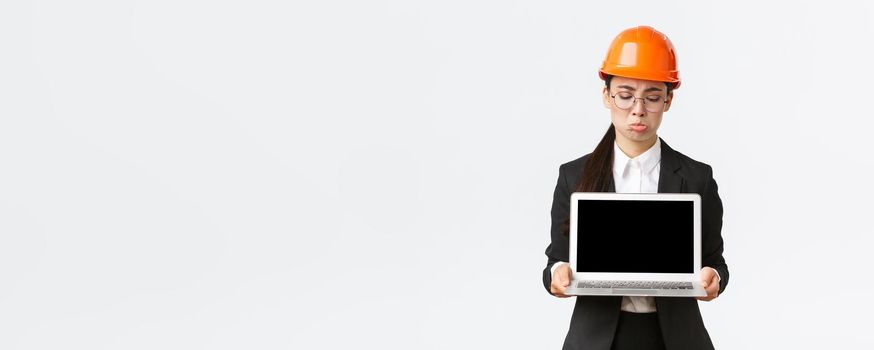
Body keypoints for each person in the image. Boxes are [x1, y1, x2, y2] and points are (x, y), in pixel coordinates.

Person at [541, 26, 730, 350]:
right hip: (597, 338)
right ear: (607, 95)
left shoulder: (696, 178)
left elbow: (715, 262)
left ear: (668, 100)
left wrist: (714, 277)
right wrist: (559, 275)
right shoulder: (575, 177)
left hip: (675, 338)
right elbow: (555, 260)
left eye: (652, 97)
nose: (638, 109)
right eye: (625, 95)